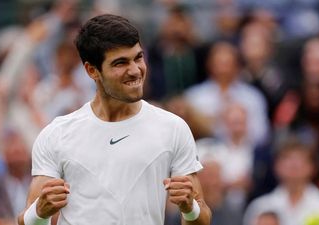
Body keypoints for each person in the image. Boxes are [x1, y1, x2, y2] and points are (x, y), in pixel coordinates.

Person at [18, 14, 211, 225]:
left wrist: (189, 208)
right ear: (92, 70)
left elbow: (201, 217)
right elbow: (27, 220)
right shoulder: (57, 134)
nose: (135, 70)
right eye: (120, 63)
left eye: (138, 57)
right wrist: (40, 212)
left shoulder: (173, 128)